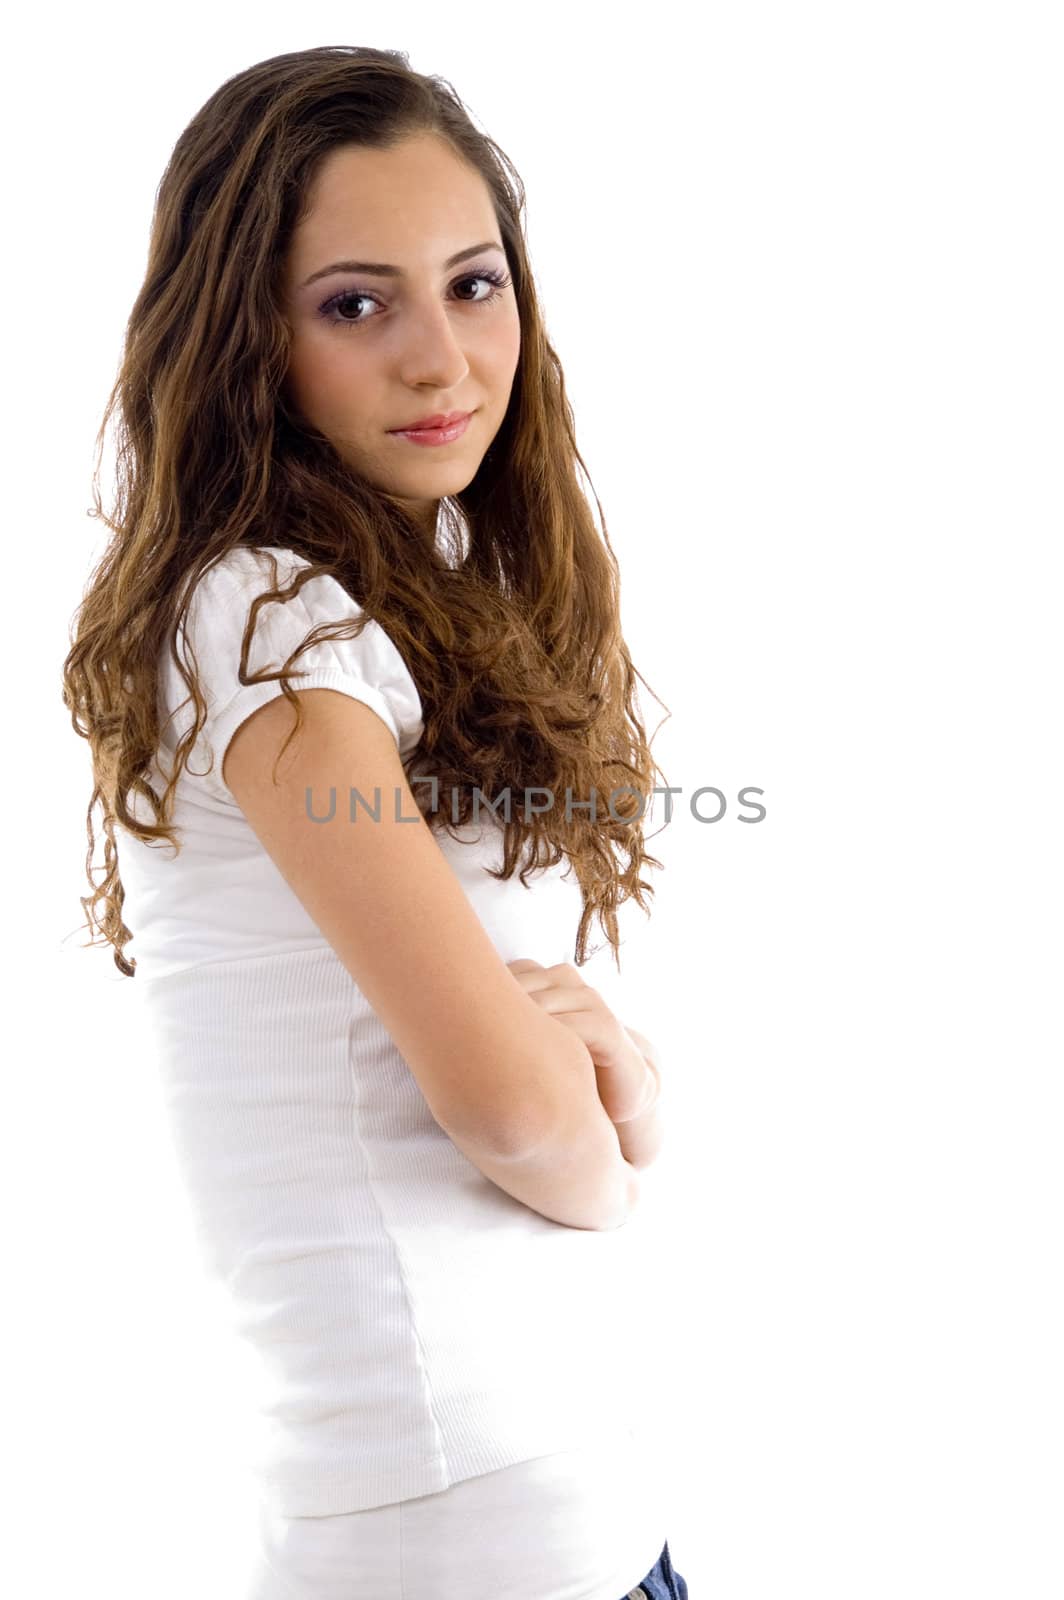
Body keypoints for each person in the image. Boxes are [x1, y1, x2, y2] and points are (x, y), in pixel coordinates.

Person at [61, 44, 689, 1600]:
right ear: (246, 340)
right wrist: (603, 1162)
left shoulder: (391, 609)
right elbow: (514, 1115)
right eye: (356, 304)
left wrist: (610, 1070)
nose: (441, 358)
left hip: (560, 1513)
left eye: (473, 284)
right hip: (466, 1542)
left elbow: (538, 1085)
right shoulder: (260, 617)